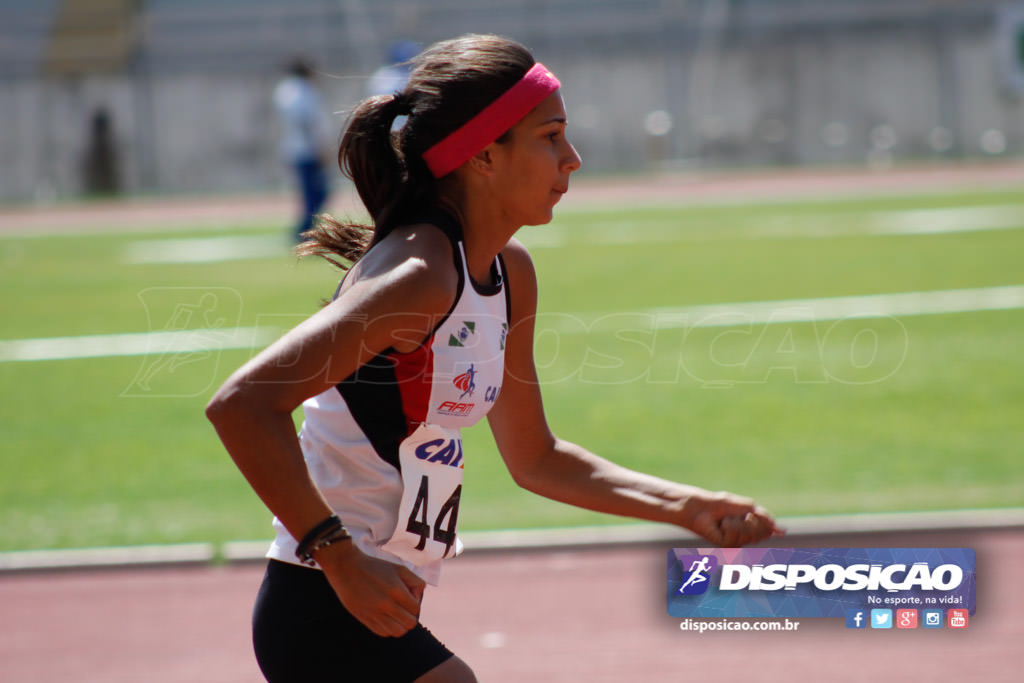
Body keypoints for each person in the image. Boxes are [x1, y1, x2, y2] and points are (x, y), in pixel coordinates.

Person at [206, 34, 781, 683]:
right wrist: (337, 555)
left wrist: (686, 505)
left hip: (377, 603)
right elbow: (243, 404)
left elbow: (536, 457)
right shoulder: (419, 277)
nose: (574, 159)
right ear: (483, 154)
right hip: (323, 604)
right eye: (551, 136)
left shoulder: (510, 274)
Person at [273, 56, 332, 242]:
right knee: (316, 193)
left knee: (311, 193)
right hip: (308, 150)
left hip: (294, 148)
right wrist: (318, 147)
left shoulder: (285, 90)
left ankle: (305, 231)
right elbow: (306, 121)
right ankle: (304, 233)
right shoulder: (304, 91)